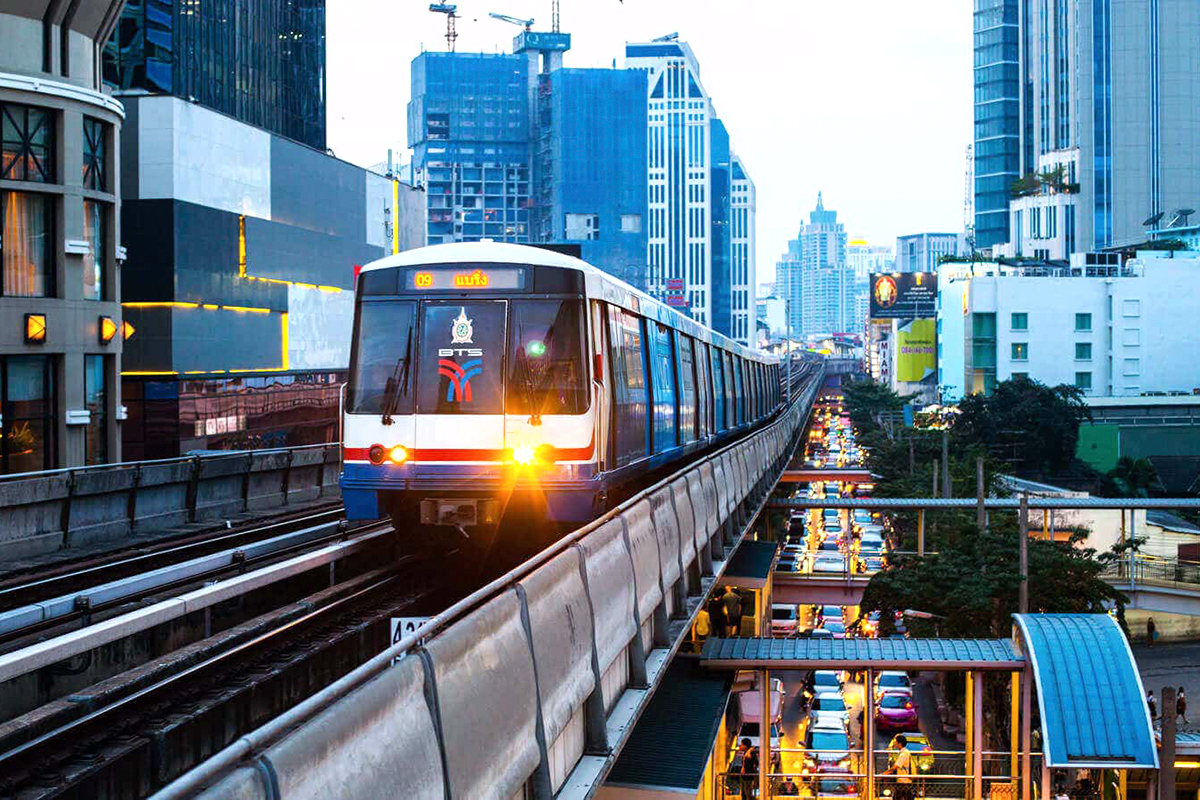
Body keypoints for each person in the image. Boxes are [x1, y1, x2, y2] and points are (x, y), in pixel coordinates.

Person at [881, 734, 915, 800]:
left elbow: (895, 767)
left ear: (899, 743)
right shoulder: (905, 752)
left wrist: (885, 773)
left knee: (899, 796)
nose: (894, 743)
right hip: (905, 780)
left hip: (903, 780)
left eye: (895, 741)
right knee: (905, 796)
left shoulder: (903, 754)